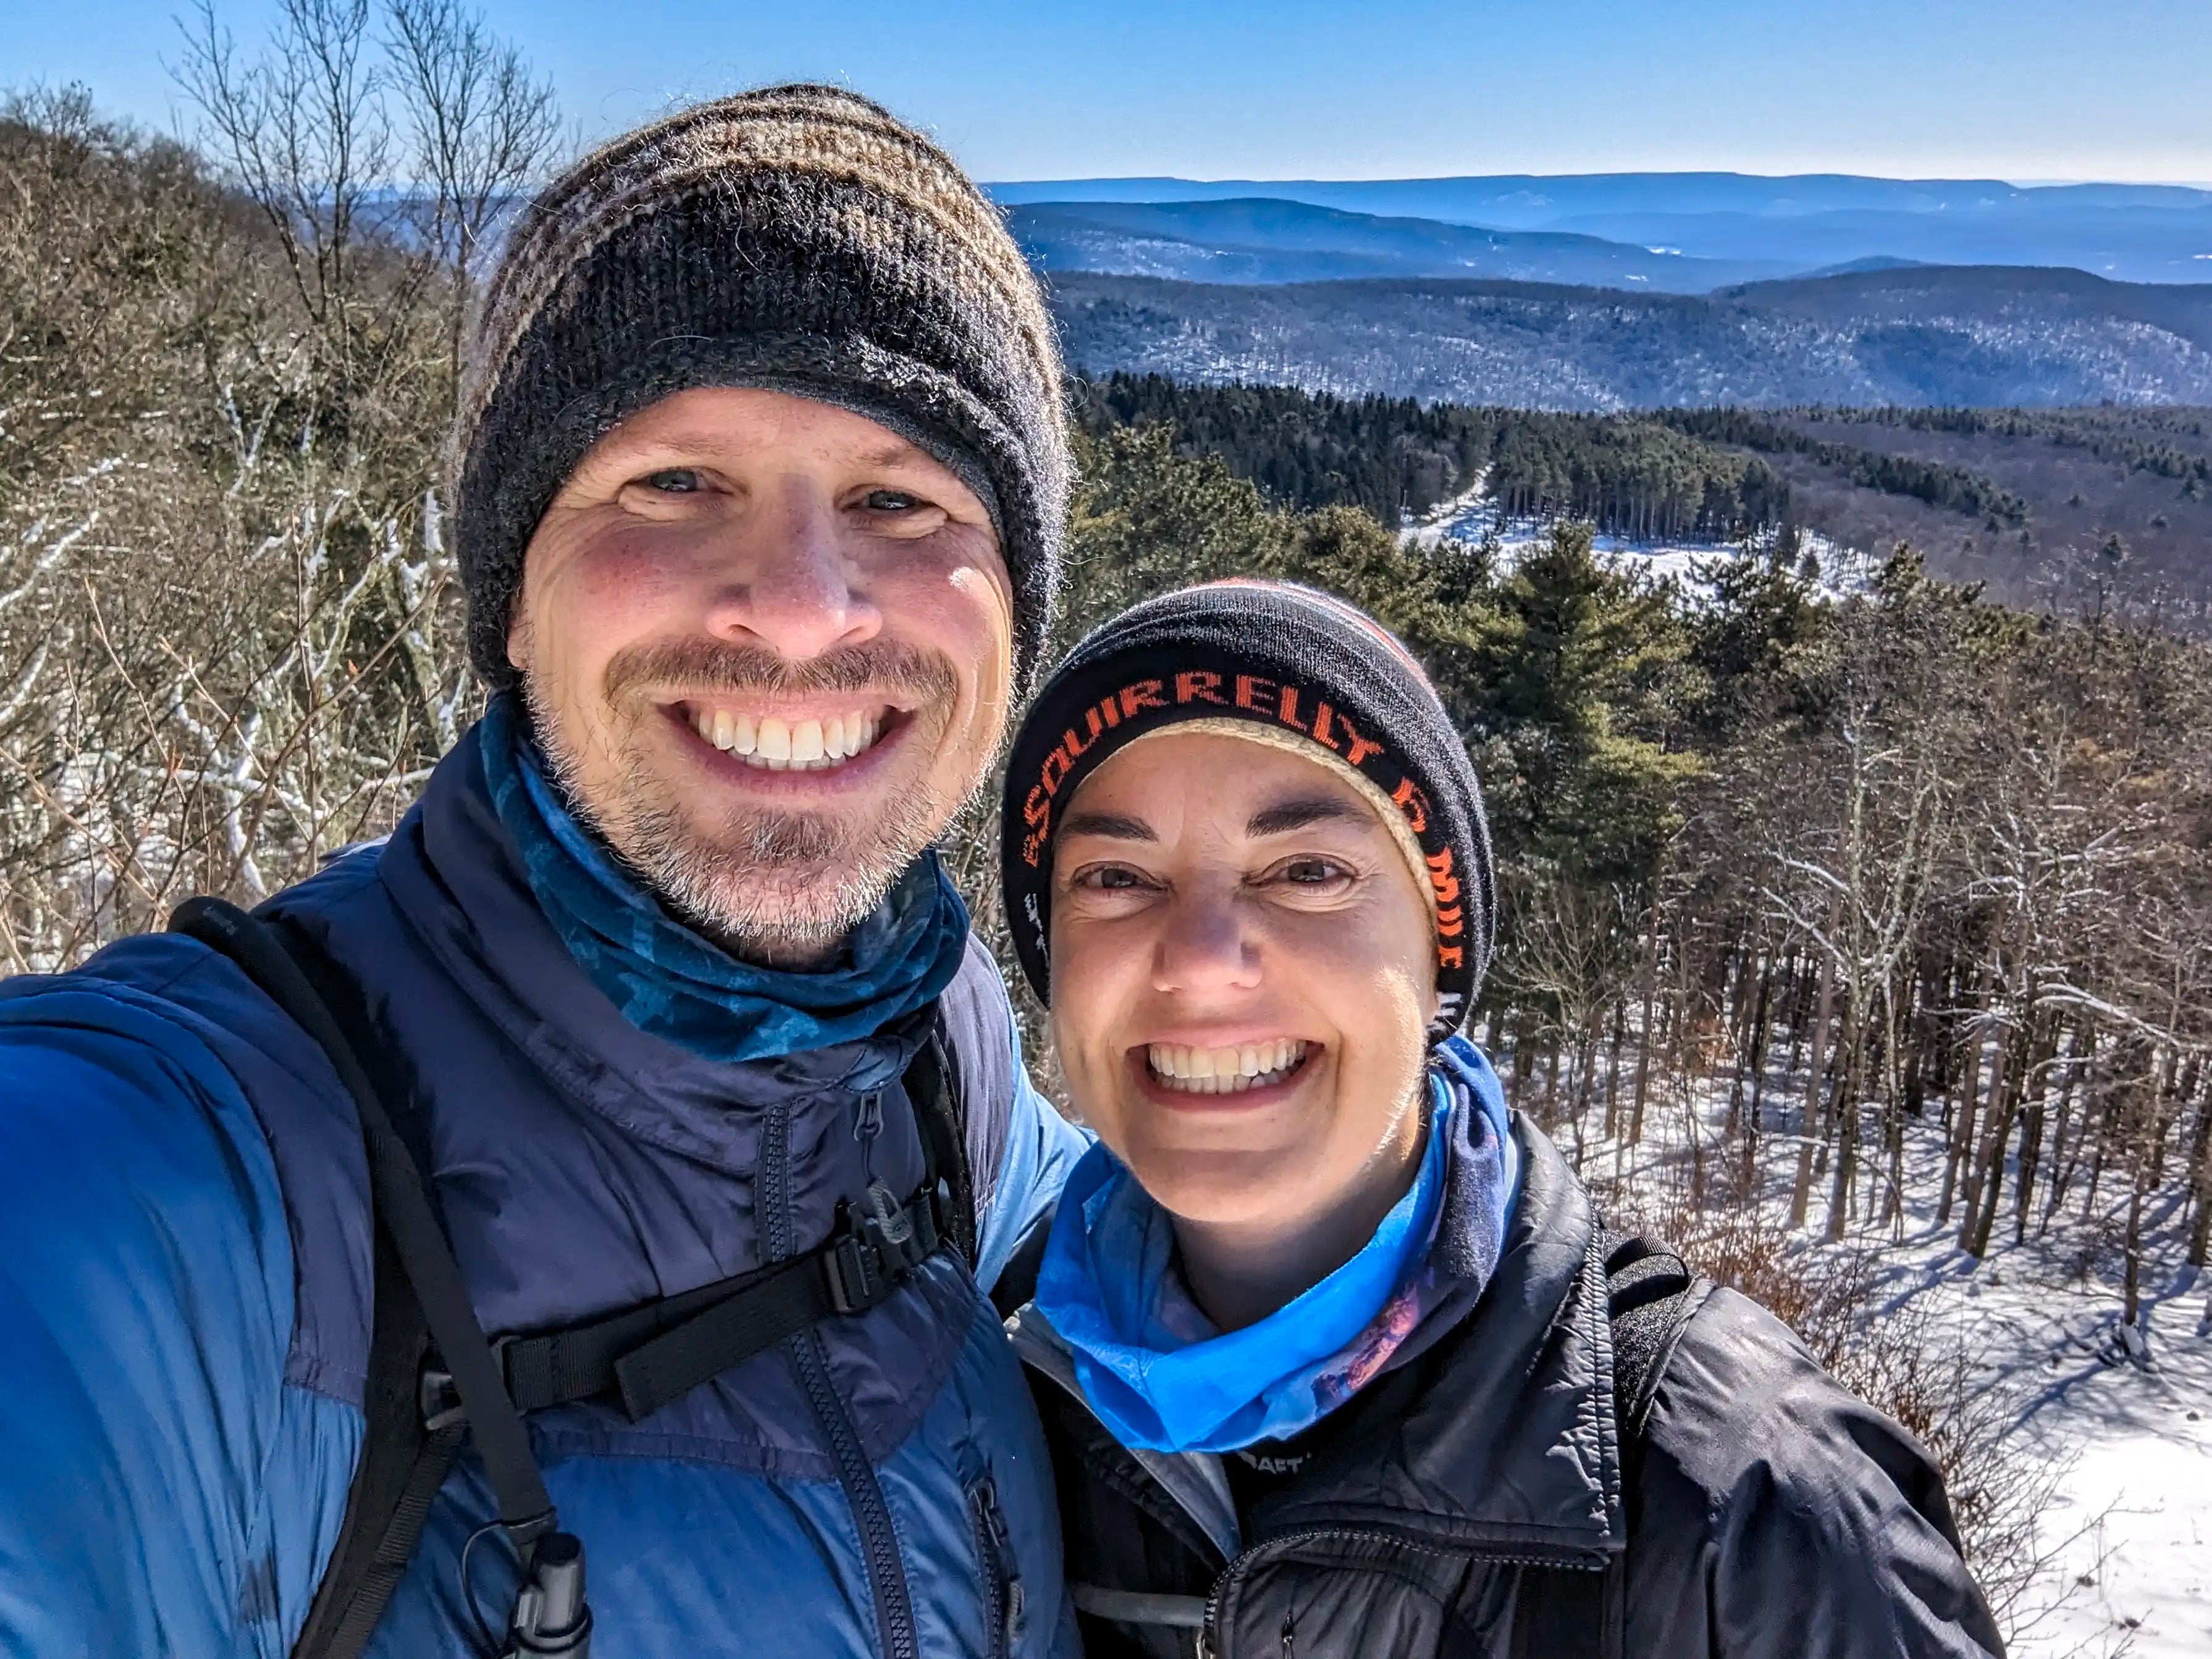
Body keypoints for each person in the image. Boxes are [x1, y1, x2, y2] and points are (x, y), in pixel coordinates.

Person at [0, 86, 1086, 1658]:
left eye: (898, 497)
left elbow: (1181, 1258)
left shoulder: (937, 1053)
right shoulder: (183, 1197)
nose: (798, 609)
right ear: (514, 601)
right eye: (673, 482)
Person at [996, 580, 2005, 1659]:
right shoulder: (983, 1400)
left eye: (1307, 870)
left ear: (1440, 958)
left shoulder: (1741, 1505)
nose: (1198, 958)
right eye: (1115, 875)